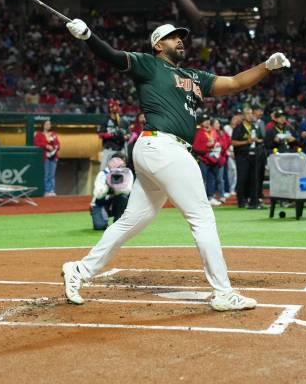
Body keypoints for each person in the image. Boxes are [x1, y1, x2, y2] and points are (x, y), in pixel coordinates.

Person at [61, 18, 290, 311]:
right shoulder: (150, 64)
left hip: (158, 150)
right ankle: (223, 292)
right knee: (202, 217)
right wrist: (88, 36)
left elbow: (233, 83)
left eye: (181, 37)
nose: (180, 40)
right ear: (158, 45)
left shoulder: (194, 77)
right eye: (172, 37)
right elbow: (114, 57)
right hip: (161, 145)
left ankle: (79, 269)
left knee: (132, 221)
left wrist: (265, 67)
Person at [90, 153, 134, 230]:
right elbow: (98, 195)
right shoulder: (103, 174)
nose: (122, 167)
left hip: (117, 201)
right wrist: (107, 184)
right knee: (100, 226)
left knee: (123, 198)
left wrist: (114, 187)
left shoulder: (127, 173)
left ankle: (119, 221)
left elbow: (127, 191)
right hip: (101, 203)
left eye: (124, 164)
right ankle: (101, 218)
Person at [231, 109, 261, 208]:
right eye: (248, 114)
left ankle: (253, 201)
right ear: (243, 116)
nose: (250, 115)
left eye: (251, 113)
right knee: (242, 179)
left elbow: (259, 138)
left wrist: (258, 140)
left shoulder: (254, 127)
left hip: (253, 155)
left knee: (253, 179)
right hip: (242, 156)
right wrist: (247, 142)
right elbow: (233, 142)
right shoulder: (239, 128)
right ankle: (241, 201)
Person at [193, 116, 222, 206]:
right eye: (204, 121)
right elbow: (195, 147)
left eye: (208, 120)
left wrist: (217, 145)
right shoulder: (199, 133)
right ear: (201, 123)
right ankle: (200, 199)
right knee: (202, 180)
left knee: (212, 179)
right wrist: (207, 148)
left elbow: (220, 142)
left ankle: (211, 197)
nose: (207, 122)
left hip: (213, 159)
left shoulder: (214, 131)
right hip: (203, 159)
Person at [97, 99, 128, 168]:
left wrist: (126, 136)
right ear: (110, 108)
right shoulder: (105, 120)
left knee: (122, 172)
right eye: (116, 106)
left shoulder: (124, 121)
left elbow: (129, 134)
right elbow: (100, 134)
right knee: (104, 171)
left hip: (120, 150)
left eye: (119, 106)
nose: (118, 107)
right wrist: (111, 135)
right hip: (109, 150)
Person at [34, 119, 60, 197]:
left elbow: (58, 144)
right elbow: (36, 143)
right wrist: (46, 146)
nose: (48, 126)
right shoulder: (39, 134)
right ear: (43, 125)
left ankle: (51, 190)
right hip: (45, 156)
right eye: (46, 124)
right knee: (46, 174)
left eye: (49, 124)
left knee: (52, 175)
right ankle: (46, 190)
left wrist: (55, 147)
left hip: (53, 156)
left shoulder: (53, 134)